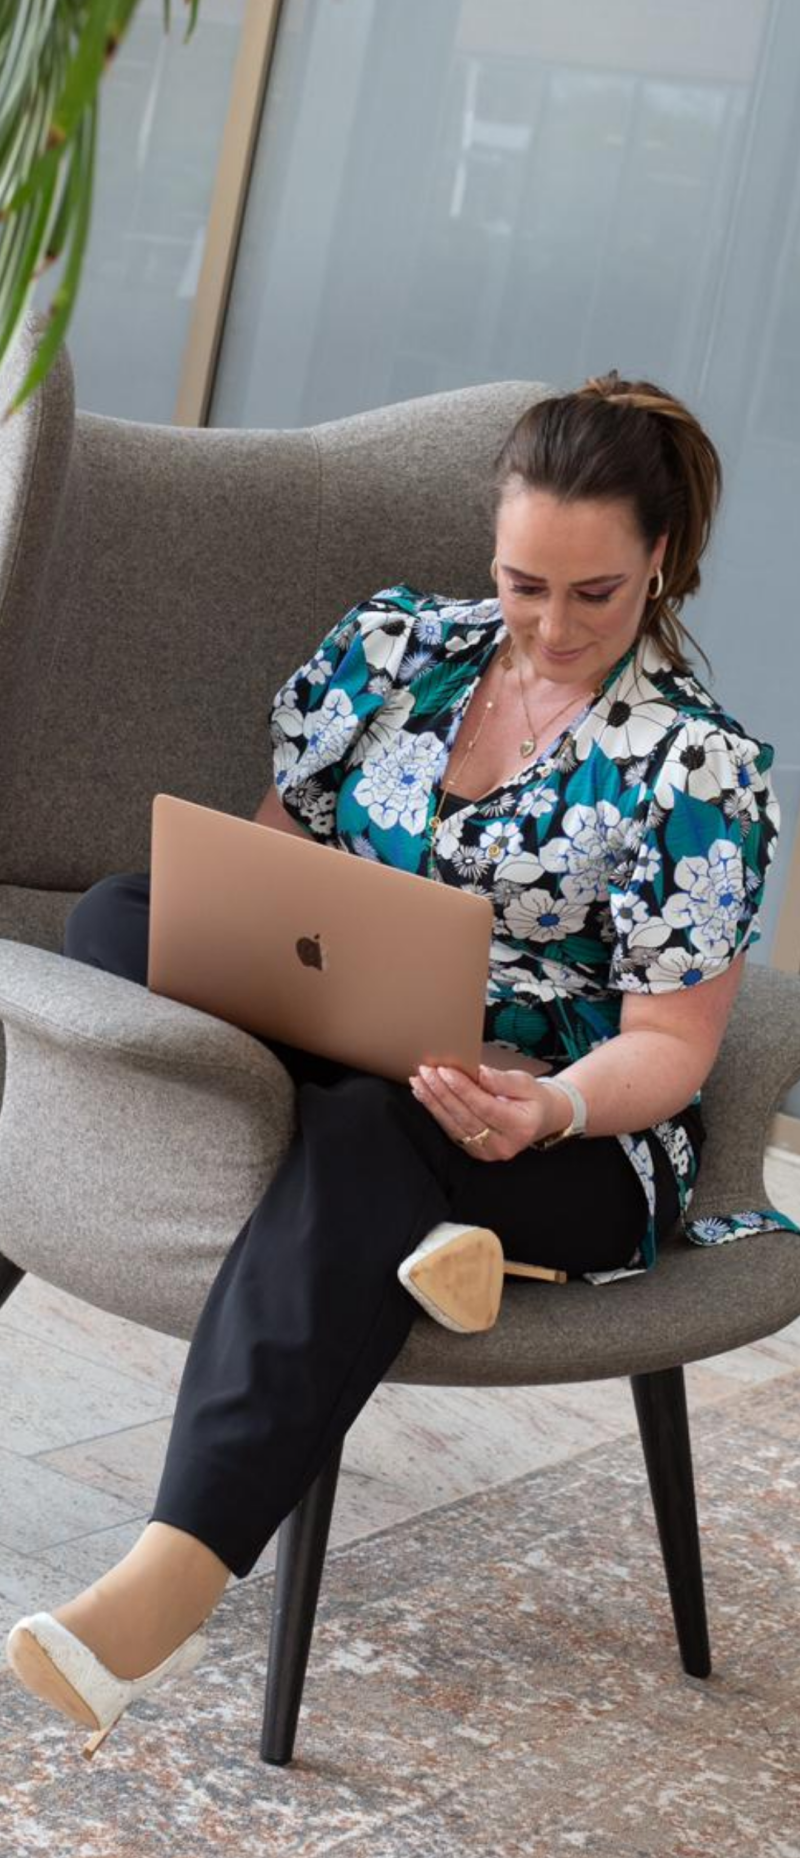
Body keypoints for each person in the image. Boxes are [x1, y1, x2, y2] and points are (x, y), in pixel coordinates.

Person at [6, 372, 789, 1756]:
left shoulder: (697, 770)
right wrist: (290, 960)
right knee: (125, 914)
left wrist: (546, 1102)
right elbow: (272, 866)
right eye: (524, 582)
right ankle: (435, 1237)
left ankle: (170, 1576)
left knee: (380, 1131)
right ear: (491, 540)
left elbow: (672, 1046)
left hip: (564, 1133)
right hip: (354, 1044)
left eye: (595, 594)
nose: (553, 625)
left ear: (661, 559)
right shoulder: (394, 648)